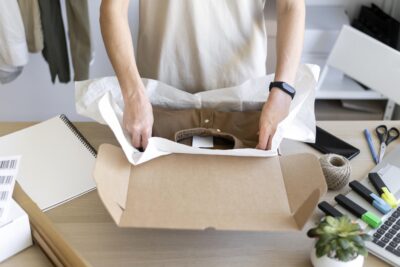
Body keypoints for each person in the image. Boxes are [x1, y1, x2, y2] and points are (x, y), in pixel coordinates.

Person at [100, 0, 305, 150]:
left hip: (243, 102)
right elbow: (112, 9)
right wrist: (133, 96)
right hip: (160, 103)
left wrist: (283, 90)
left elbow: (291, 6)